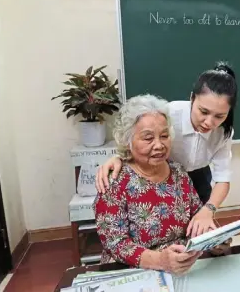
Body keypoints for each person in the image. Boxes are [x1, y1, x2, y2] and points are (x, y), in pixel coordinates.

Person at [96, 62, 238, 238]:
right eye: (203, 112)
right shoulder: (168, 113)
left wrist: (208, 210)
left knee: (197, 229)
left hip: (195, 177)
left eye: (220, 116)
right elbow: (136, 134)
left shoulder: (224, 132)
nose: (209, 122)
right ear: (192, 98)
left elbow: (223, 177)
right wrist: (119, 156)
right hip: (161, 172)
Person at [94, 94, 231, 275]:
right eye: (148, 138)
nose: (159, 145)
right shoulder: (114, 181)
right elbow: (115, 243)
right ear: (127, 142)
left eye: (164, 136)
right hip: (134, 271)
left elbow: (197, 220)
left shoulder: (179, 173)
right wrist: (160, 261)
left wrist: (212, 240)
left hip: (183, 267)